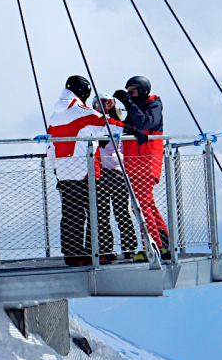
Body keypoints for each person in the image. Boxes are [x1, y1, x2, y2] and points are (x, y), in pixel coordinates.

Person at [47, 76, 147, 266]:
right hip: (84, 170)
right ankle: (97, 251)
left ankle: (73, 254)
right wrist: (133, 131)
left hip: (63, 171)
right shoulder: (79, 111)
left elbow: (51, 144)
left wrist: (54, 166)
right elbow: (104, 123)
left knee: (71, 212)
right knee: (95, 212)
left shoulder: (55, 115)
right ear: (83, 91)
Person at [113, 76, 170, 260]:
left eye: (133, 91)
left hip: (147, 160)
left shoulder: (154, 106)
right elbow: (125, 125)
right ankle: (163, 241)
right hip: (134, 163)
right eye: (128, 92)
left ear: (143, 90)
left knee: (140, 204)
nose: (130, 95)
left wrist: (129, 103)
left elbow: (145, 122)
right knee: (146, 203)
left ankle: (152, 247)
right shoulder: (133, 109)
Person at [92, 93, 138, 259]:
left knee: (120, 212)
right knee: (102, 214)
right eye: (98, 104)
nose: (102, 107)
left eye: (106, 103)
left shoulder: (117, 124)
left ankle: (129, 247)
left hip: (117, 172)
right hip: (100, 173)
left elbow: (127, 127)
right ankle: (106, 249)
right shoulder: (93, 124)